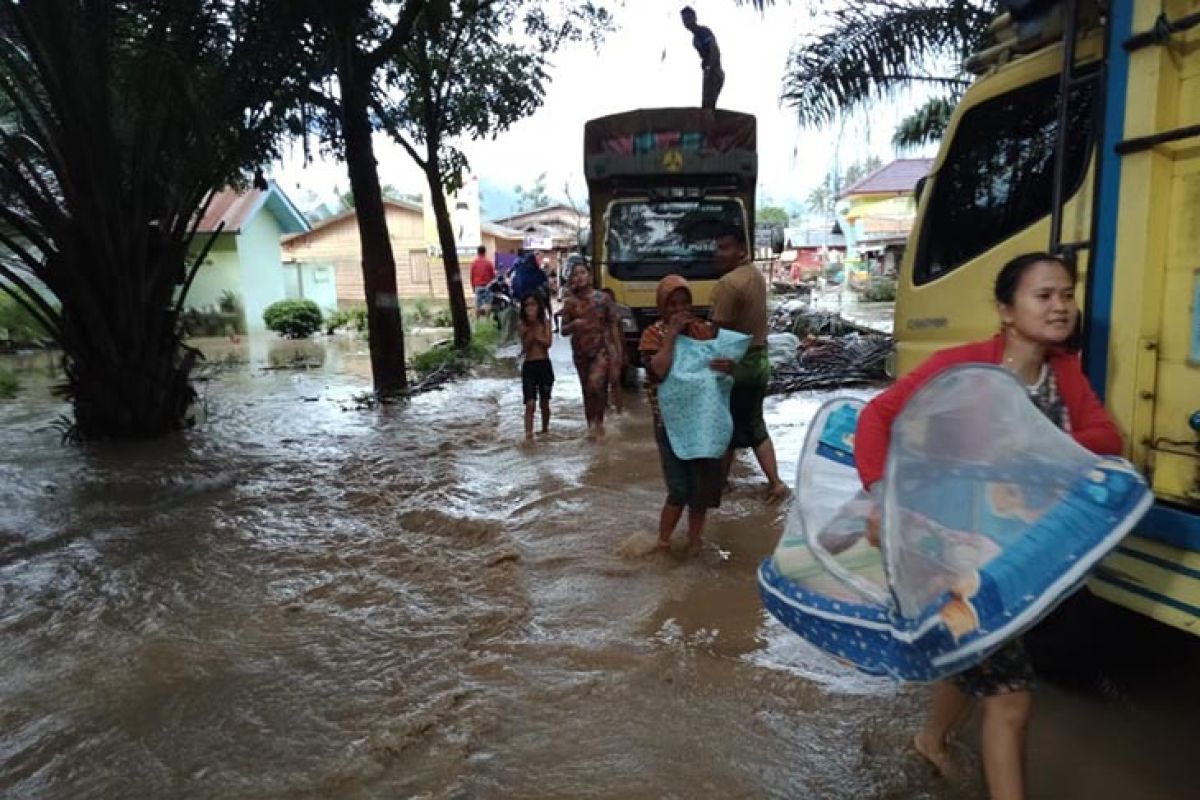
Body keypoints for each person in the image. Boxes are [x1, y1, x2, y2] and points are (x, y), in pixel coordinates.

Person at [854, 252, 1123, 800]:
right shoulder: (964, 370)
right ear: (1006, 309)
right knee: (1011, 699)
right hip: (959, 552)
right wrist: (883, 498)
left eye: (1066, 294)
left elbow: (1106, 438)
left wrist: (1039, 448)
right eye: (1043, 296)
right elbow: (877, 417)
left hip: (1026, 556)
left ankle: (929, 740)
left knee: (976, 652)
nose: (1060, 306)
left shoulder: (1064, 373)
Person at [640, 276, 732, 552]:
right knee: (679, 489)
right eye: (672, 304)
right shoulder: (652, 335)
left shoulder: (704, 333)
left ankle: (694, 543)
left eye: (684, 303)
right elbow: (658, 370)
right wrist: (672, 336)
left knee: (701, 490)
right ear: (661, 307)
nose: (679, 310)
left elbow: (721, 374)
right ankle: (663, 543)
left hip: (702, 421)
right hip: (669, 423)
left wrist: (727, 366)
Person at [709, 224, 789, 501]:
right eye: (717, 247)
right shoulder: (755, 275)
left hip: (735, 364)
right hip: (759, 360)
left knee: (740, 426)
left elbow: (718, 331)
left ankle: (774, 483)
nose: (718, 254)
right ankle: (722, 482)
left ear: (741, 250)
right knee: (742, 423)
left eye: (724, 248)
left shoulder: (728, 284)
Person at [560, 262, 619, 439]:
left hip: (600, 350)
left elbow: (613, 324)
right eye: (575, 274)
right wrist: (574, 325)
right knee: (587, 390)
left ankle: (599, 422)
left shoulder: (603, 299)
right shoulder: (570, 303)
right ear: (572, 279)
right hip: (580, 353)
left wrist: (616, 351)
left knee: (596, 385)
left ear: (590, 275)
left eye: (582, 272)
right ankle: (591, 427)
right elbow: (562, 330)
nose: (579, 276)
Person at [518, 292, 554, 440]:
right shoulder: (521, 324)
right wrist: (530, 329)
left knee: (544, 402)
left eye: (533, 304)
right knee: (530, 403)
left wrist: (535, 332)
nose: (530, 308)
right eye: (527, 305)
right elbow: (525, 346)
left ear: (539, 306)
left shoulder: (545, 322)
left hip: (544, 364)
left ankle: (545, 430)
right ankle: (528, 433)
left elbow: (548, 343)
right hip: (529, 365)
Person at [680, 6, 724, 110]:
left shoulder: (703, 31)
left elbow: (714, 49)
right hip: (708, 71)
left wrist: (710, 67)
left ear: (695, 18)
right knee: (706, 105)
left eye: (689, 18)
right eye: (684, 20)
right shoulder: (695, 39)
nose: (687, 22)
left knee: (709, 105)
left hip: (714, 71)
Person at [601, 287, 629, 413]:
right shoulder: (596, 317)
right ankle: (605, 409)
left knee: (615, 381)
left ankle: (619, 410)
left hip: (613, 350)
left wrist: (623, 354)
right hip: (600, 352)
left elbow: (621, 336)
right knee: (602, 384)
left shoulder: (616, 317)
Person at [470, 245, 496, 320]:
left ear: (477, 252)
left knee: (478, 305)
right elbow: (493, 276)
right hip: (488, 286)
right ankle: (487, 320)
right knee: (488, 304)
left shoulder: (474, 263)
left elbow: (472, 276)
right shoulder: (489, 263)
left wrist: (473, 287)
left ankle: (478, 321)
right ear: (485, 252)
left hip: (478, 286)